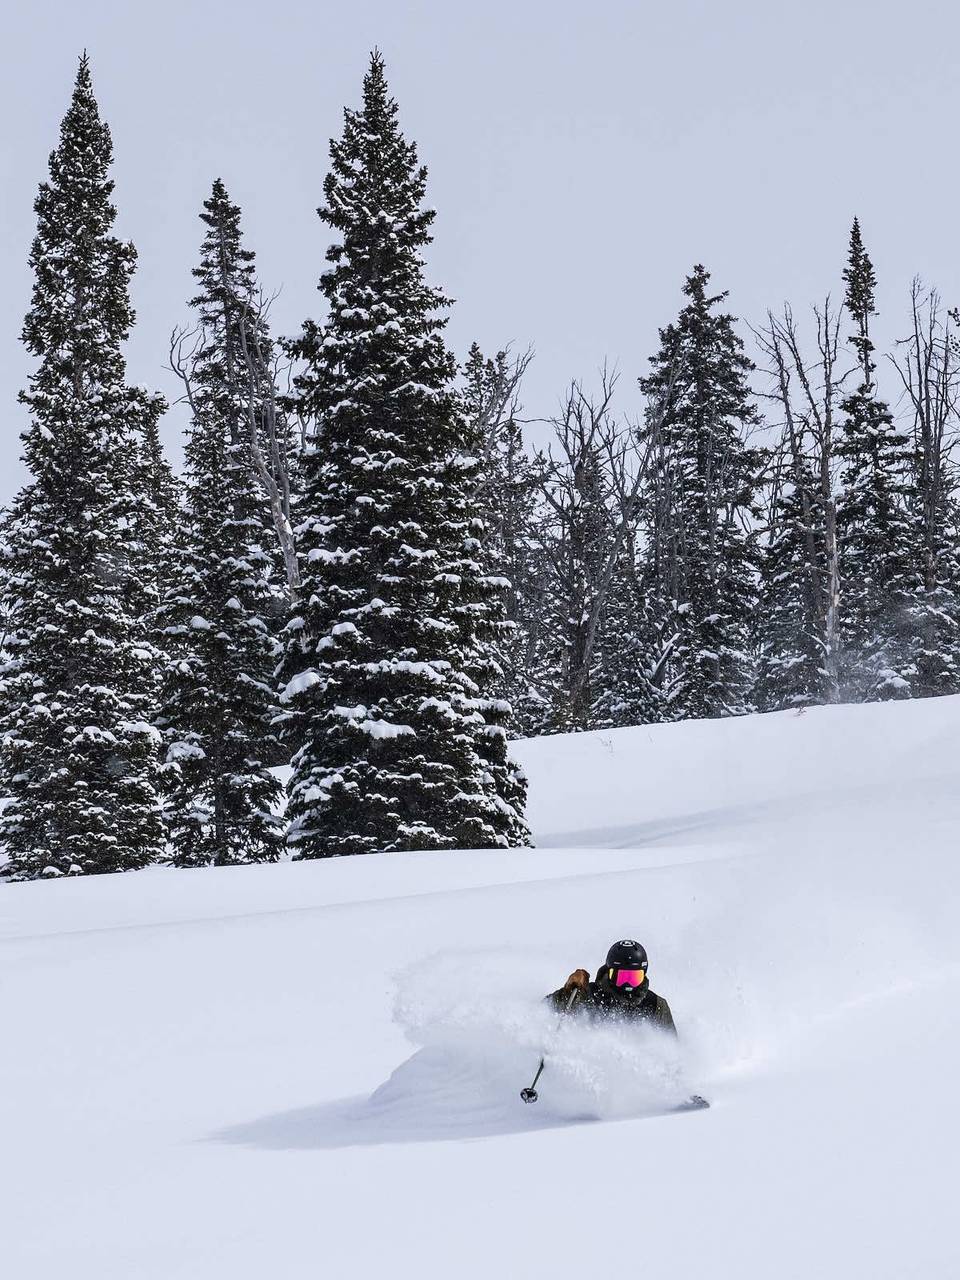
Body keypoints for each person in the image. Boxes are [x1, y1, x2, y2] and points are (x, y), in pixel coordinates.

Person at [546, 939, 677, 1035]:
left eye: (634, 978)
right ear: (609, 973)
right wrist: (568, 991)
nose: (628, 984)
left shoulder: (655, 1006)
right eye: (621, 977)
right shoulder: (589, 995)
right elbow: (545, 1011)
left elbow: (672, 1050)